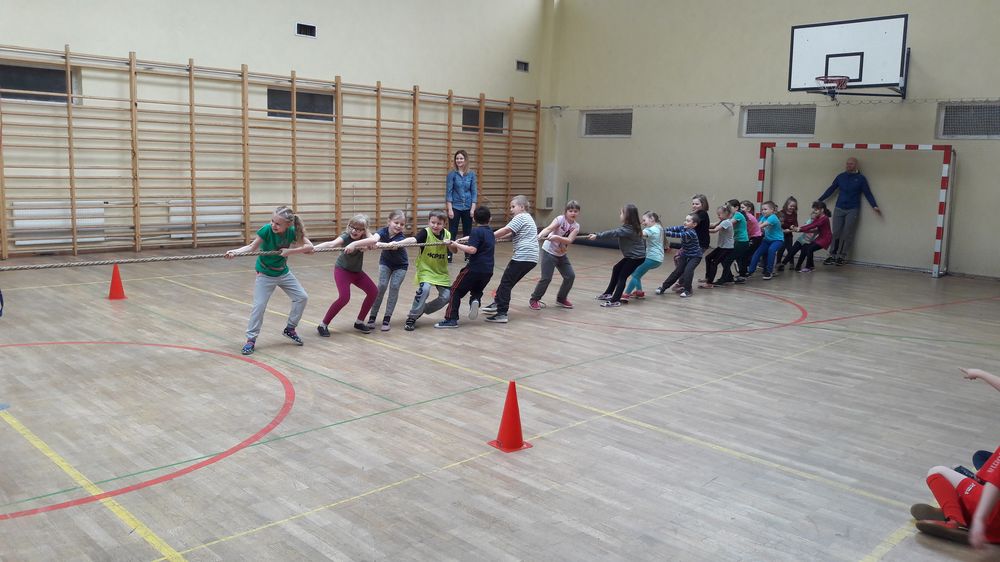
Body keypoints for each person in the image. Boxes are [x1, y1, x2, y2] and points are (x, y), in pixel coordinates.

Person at [913, 369, 1000, 548]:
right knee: (980, 458)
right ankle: (960, 506)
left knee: (937, 472)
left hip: (992, 522)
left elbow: (996, 484)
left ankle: (954, 519)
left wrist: (980, 519)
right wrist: (980, 374)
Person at [225, 205, 312, 356]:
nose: (273, 225)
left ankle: (290, 328)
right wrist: (235, 252)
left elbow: (309, 247)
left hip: (283, 273)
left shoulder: (292, 231)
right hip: (265, 274)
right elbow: (252, 247)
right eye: (272, 221)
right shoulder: (266, 230)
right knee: (259, 306)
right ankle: (251, 340)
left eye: (278, 224)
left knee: (302, 297)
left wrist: (290, 251)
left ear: (288, 225)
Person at [313, 214, 380, 337]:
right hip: (342, 271)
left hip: (357, 272)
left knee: (373, 292)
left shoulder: (365, 238)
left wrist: (356, 243)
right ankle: (323, 325)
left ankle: (359, 322)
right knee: (344, 298)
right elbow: (331, 244)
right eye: (352, 227)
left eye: (359, 229)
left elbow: (374, 241)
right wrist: (313, 248)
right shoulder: (345, 236)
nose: (354, 231)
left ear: (364, 230)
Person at [435, 206, 495, 328]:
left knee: (455, 291)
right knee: (476, 290)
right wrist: (463, 239)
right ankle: (475, 300)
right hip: (488, 271)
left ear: (474, 219)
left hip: (474, 269)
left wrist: (455, 244)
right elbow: (477, 238)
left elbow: (472, 250)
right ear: (490, 219)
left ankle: (451, 319)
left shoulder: (476, 231)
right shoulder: (490, 231)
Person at [482, 195, 539, 323]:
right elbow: (511, 234)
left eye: (513, 207)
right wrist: (495, 238)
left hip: (523, 256)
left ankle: (502, 313)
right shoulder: (528, 218)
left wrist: (486, 236)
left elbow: (505, 229)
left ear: (522, 207)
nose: (511, 209)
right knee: (508, 282)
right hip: (532, 258)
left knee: (506, 283)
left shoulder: (520, 217)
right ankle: (497, 303)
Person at [400, 209, 459, 331]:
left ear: (444, 224)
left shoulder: (447, 234)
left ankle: (423, 309)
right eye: (433, 222)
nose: (435, 226)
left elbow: (454, 251)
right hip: (426, 270)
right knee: (425, 290)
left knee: (447, 296)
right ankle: (412, 317)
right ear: (428, 222)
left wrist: (449, 244)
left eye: (439, 223)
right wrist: (398, 243)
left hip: (440, 272)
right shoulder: (425, 233)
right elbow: (413, 240)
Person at [819, 157, 880, 265]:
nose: (848, 166)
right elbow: (831, 189)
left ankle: (841, 256)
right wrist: (820, 200)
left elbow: (868, 193)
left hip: (853, 209)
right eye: (847, 164)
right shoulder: (840, 177)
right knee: (836, 232)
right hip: (839, 208)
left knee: (847, 233)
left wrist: (874, 205)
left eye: (851, 164)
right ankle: (832, 255)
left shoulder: (861, 179)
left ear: (856, 165)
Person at [587, 204, 645, 308]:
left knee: (622, 276)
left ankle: (615, 300)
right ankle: (608, 293)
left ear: (628, 216)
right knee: (616, 268)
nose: (620, 215)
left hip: (636, 258)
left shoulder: (628, 229)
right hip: (632, 256)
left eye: (621, 213)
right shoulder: (631, 227)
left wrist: (597, 236)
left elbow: (613, 233)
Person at [529, 200, 581, 309]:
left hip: (561, 254)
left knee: (570, 276)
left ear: (578, 213)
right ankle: (534, 299)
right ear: (566, 212)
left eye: (575, 211)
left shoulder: (576, 226)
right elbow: (549, 228)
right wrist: (540, 235)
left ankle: (561, 299)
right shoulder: (560, 219)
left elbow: (569, 240)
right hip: (549, 252)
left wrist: (556, 238)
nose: (573, 213)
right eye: (570, 211)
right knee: (546, 278)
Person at [366, 210, 409, 332]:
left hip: (400, 265)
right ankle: (372, 317)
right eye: (396, 222)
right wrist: (371, 240)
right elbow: (374, 238)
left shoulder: (400, 237)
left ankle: (387, 318)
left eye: (402, 224)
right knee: (381, 286)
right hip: (385, 263)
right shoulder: (383, 231)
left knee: (394, 287)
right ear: (389, 221)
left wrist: (378, 244)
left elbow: (392, 246)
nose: (399, 226)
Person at [655, 214, 702, 298]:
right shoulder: (682, 228)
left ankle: (688, 290)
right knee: (677, 271)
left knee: (688, 271)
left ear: (694, 224)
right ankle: (663, 287)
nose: (685, 222)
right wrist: (661, 229)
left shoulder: (691, 233)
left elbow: (676, 235)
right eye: (685, 220)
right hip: (685, 254)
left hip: (695, 256)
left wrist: (662, 232)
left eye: (688, 221)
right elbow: (671, 229)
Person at [445, 149, 477, 263]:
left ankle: (468, 255)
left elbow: (474, 192)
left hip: (468, 206)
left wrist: (473, 209)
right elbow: (448, 192)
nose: (459, 160)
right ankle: (449, 255)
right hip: (455, 206)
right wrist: (450, 209)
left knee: (467, 232)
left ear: (465, 160)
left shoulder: (471, 174)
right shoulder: (452, 174)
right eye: (457, 158)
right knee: (452, 232)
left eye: (461, 158)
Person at [624, 211, 664, 299]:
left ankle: (626, 294)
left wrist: (633, 226)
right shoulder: (659, 227)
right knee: (636, 273)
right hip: (657, 258)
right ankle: (639, 292)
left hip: (652, 258)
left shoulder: (651, 229)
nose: (643, 222)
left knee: (635, 275)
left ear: (652, 219)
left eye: (644, 220)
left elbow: (639, 234)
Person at [789, 201, 832, 273]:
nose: (814, 211)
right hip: (821, 237)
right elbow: (810, 225)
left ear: (822, 210)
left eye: (816, 210)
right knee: (809, 248)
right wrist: (799, 229)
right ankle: (811, 266)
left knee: (809, 249)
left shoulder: (825, 218)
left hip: (826, 238)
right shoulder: (818, 217)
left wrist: (800, 229)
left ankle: (808, 267)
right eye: (814, 210)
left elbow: (813, 225)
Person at [746, 201, 784, 280]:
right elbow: (758, 224)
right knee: (757, 253)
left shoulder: (773, 217)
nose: (763, 211)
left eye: (765, 209)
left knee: (771, 250)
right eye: (762, 209)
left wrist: (749, 230)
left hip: (777, 240)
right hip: (767, 240)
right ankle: (750, 271)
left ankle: (769, 272)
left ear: (772, 210)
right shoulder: (764, 217)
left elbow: (761, 226)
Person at [717, 199, 749, 286]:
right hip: (737, 241)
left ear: (736, 208)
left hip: (742, 241)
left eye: (728, 207)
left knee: (726, 259)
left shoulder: (737, 215)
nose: (726, 208)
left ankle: (726, 278)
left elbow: (728, 224)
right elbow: (719, 224)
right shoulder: (731, 216)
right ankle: (729, 277)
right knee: (724, 258)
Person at [702, 205, 734, 288]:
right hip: (721, 247)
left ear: (726, 213)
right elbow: (712, 225)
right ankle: (708, 277)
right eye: (718, 214)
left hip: (727, 248)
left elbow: (714, 230)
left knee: (714, 263)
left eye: (719, 214)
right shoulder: (722, 221)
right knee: (708, 258)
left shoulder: (726, 222)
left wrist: (702, 230)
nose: (718, 216)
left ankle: (709, 283)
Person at [775, 196, 799, 271]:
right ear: (786, 205)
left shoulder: (794, 213)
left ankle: (791, 263)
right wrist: (789, 226)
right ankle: (778, 263)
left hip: (789, 234)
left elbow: (795, 222)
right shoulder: (782, 212)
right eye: (791, 206)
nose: (792, 207)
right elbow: (781, 223)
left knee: (790, 249)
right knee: (781, 248)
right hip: (781, 233)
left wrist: (795, 227)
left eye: (794, 206)